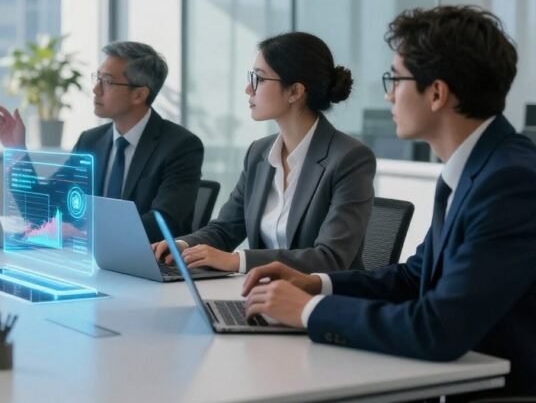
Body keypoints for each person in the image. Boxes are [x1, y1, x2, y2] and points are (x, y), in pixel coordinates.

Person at [241, 6, 536, 397]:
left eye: (396, 78)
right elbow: (414, 278)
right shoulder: (475, 169)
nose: (389, 94)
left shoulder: (511, 182)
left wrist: (306, 311)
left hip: (497, 393)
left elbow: (437, 328)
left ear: (437, 93)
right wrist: (315, 284)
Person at [152, 32, 375, 274]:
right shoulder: (259, 153)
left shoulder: (349, 158)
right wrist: (183, 245)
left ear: (295, 92)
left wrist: (238, 261)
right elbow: (226, 229)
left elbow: (330, 259)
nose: (249, 88)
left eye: (259, 78)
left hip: (322, 302)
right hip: (263, 294)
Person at [0, 41, 204, 241]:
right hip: (93, 264)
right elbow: (42, 209)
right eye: (97, 78)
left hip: (149, 269)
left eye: (107, 81)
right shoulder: (91, 141)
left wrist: (86, 234)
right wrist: (17, 151)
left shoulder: (180, 147)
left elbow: (162, 223)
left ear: (139, 95)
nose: (96, 89)